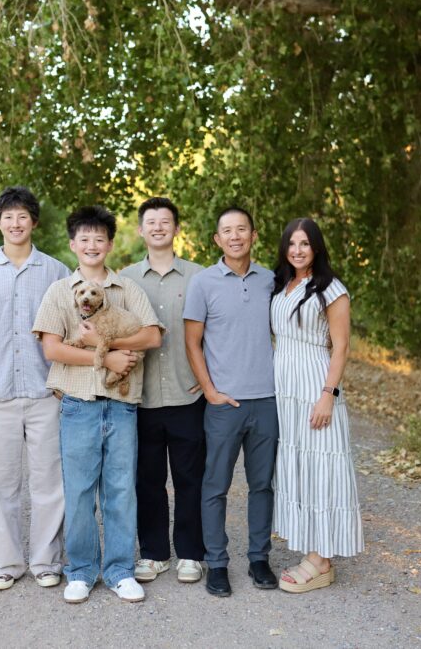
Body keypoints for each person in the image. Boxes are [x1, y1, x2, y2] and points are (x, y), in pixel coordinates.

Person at [32, 205, 162, 604]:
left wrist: (107, 344)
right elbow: (53, 348)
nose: (92, 245)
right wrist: (104, 359)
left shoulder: (127, 290)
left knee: (120, 491)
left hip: (121, 404)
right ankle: (82, 571)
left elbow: (152, 336)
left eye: (99, 239)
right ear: (73, 244)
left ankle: (120, 570)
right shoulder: (59, 291)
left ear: (109, 245)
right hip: (78, 404)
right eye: (84, 239)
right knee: (79, 492)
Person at [0, 186, 70, 591]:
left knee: (50, 484)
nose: (15, 223)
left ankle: (46, 561)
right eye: (7, 216)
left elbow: (71, 330)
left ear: (34, 222)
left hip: (46, 395)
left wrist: (62, 383)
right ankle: (5, 564)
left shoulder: (57, 271)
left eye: (22, 215)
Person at [184, 206, 279, 597]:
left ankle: (259, 558)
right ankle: (217, 563)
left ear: (253, 236)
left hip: (267, 401)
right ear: (217, 239)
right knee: (215, 486)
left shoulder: (272, 280)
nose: (235, 236)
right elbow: (192, 342)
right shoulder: (203, 283)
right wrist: (210, 390)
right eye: (227, 230)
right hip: (224, 404)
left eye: (242, 229)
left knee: (262, 486)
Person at [270, 218, 362, 593]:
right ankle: (313, 550)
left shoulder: (331, 289)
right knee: (298, 466)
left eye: (305, 244)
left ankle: (321, 561)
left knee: (322, 467)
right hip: (285, 388)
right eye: (292, 244)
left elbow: (341, 347)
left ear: (317, 248)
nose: (297, 250)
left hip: (314, 386)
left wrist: (328, 394)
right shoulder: (281, 284)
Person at [120, 197, 206, 585]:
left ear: (176, 228)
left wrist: (208, 379)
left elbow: (213, 332)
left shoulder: (199, 277)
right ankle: (154, 554)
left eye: (165, 221)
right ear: (141, 230)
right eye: (151, 222)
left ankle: (190, 553)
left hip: (188, 393)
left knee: (190, 478)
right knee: (147, 481)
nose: (158, 227)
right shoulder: (124, 280)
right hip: (141, 397)